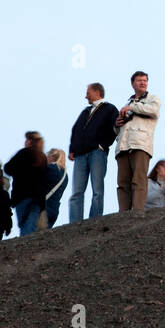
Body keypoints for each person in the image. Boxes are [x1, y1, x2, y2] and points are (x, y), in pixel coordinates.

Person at [67, 82, 119, 224]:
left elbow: (116, 128)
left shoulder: (110, 109)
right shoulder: (85, 111)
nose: (86, 96)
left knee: (97, 190)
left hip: (97, 153)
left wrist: (103, 145)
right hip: (80, 155)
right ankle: (74, 223)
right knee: (76, 192)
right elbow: (76, 129)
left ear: (97, 92)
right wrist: (72, 148)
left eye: (88, 93)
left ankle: (94, 221)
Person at [114, 71, 162, 211]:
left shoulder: (153, 99)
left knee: (139, 180)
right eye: (139, 80)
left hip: (141, 145)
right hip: (123, 147)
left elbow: (153, 111)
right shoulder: (127, 103)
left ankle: (138, 211)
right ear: (132, 84)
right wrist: (117, 124)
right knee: (123, 183)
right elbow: (118, 130)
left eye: (145, 80)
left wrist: (132, 107)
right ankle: (123, 213)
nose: (143, 82)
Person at [4, 131, 48, 236]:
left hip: (21, 196)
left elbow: (7, 169)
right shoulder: (42, 158)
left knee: (24, 225)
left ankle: (25, 250)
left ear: (30, 141)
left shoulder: (23, 153)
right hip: (37, 197)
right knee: (30, 225)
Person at [41, 149, 69, 229]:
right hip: (54, 210)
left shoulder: (49, 169)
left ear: (52, 157)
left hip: (43, 208)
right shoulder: (65, 176)